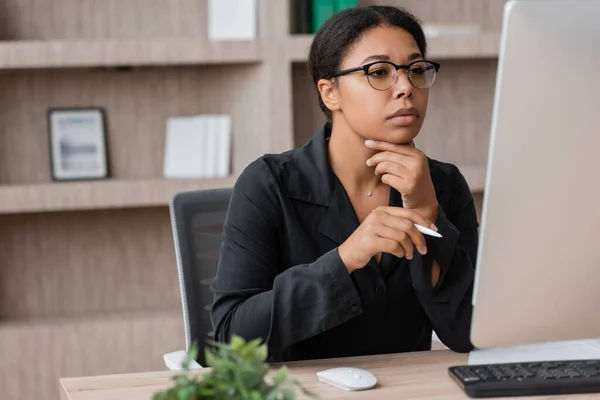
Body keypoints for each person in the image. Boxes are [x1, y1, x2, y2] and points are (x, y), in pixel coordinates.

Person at [210, 5, 478, 362]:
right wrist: (346, 259)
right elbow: (229, 340)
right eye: (379, 72)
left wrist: (430, 214)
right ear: (329, 93)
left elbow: (471, 332)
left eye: (415, 70)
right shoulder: (267, 183)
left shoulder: (442, 185)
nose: (406, 88)